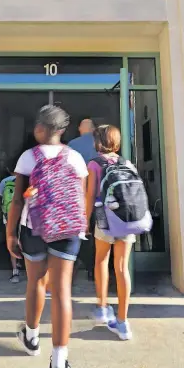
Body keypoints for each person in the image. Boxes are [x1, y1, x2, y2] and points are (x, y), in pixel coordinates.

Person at [6, 105, 88, 368]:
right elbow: (82, 200)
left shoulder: (28, 158)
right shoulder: (76, 158)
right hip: (68, 230)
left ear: (38, 128)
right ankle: (59, 362)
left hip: (35, 229)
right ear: (63, 130)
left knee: (36, 282)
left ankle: (31, 338)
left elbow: (17, 200)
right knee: (62, 290)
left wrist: (10, 233)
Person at [86, 124, 134, 341]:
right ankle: (123, 323)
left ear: (98, 141)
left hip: (105, 216)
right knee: (122, 267)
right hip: (127, 218)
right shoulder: (127, 163)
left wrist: (84, 220)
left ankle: (102, 307)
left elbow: (90, 196)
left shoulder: (95, 164)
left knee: (101, 261)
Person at [69, 119, 98, 281]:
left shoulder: (72, 144)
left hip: (77, 195)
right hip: (99, 196)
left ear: (81, 128)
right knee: (97, 232)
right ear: (93, 129)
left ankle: (75, 262)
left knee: (79, 231)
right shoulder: (101, 143)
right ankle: (93, 269)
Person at [0, 169, 20, 283]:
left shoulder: (5, 181)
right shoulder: (26, 180)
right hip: (24, 217)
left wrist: (4, 211)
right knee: (25, 241)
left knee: (11, 241)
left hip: (8, 216)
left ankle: (15, 272)